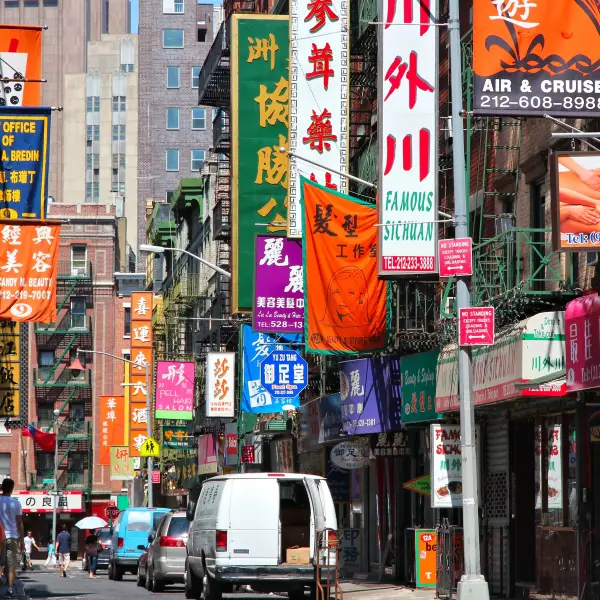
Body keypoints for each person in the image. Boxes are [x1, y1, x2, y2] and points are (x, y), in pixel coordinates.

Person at [0, 478, 24, 598]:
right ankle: (9, 589)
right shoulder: (16, 503)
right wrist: (22, 541)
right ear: (12, 488)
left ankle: (0, 579)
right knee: (11, 565)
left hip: (0, 536)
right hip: (13, 537)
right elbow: (19, 523)